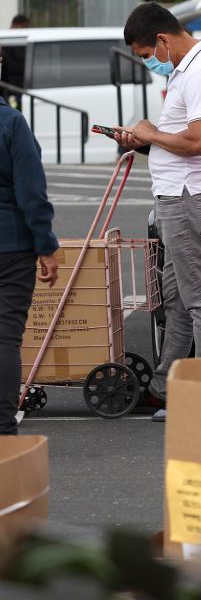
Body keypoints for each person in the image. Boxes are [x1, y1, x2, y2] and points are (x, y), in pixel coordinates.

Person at [113, 2, 201, 422]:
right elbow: (185, 139)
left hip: (190, 198)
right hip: (181, 197)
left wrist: (150, 133)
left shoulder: (200, 72)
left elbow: (200, 141)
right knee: (179, 300)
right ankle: (168, 384)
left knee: (200, 300)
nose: (150, 63)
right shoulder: (190, 69)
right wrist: (145, 140)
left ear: (163, 40)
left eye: (148, 55)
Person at [0, 65, 59, 435]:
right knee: (5, 336)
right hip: (11, 245)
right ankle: (2, 423)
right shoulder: (12, 123)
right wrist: (46, 247)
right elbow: (31, 192)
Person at [0, 15, 29, 107]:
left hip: (15, 90)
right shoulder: (10, 41)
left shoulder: (11, 41)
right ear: (19, 25)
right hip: (12, 91)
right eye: (26, 27)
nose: (27, 30)